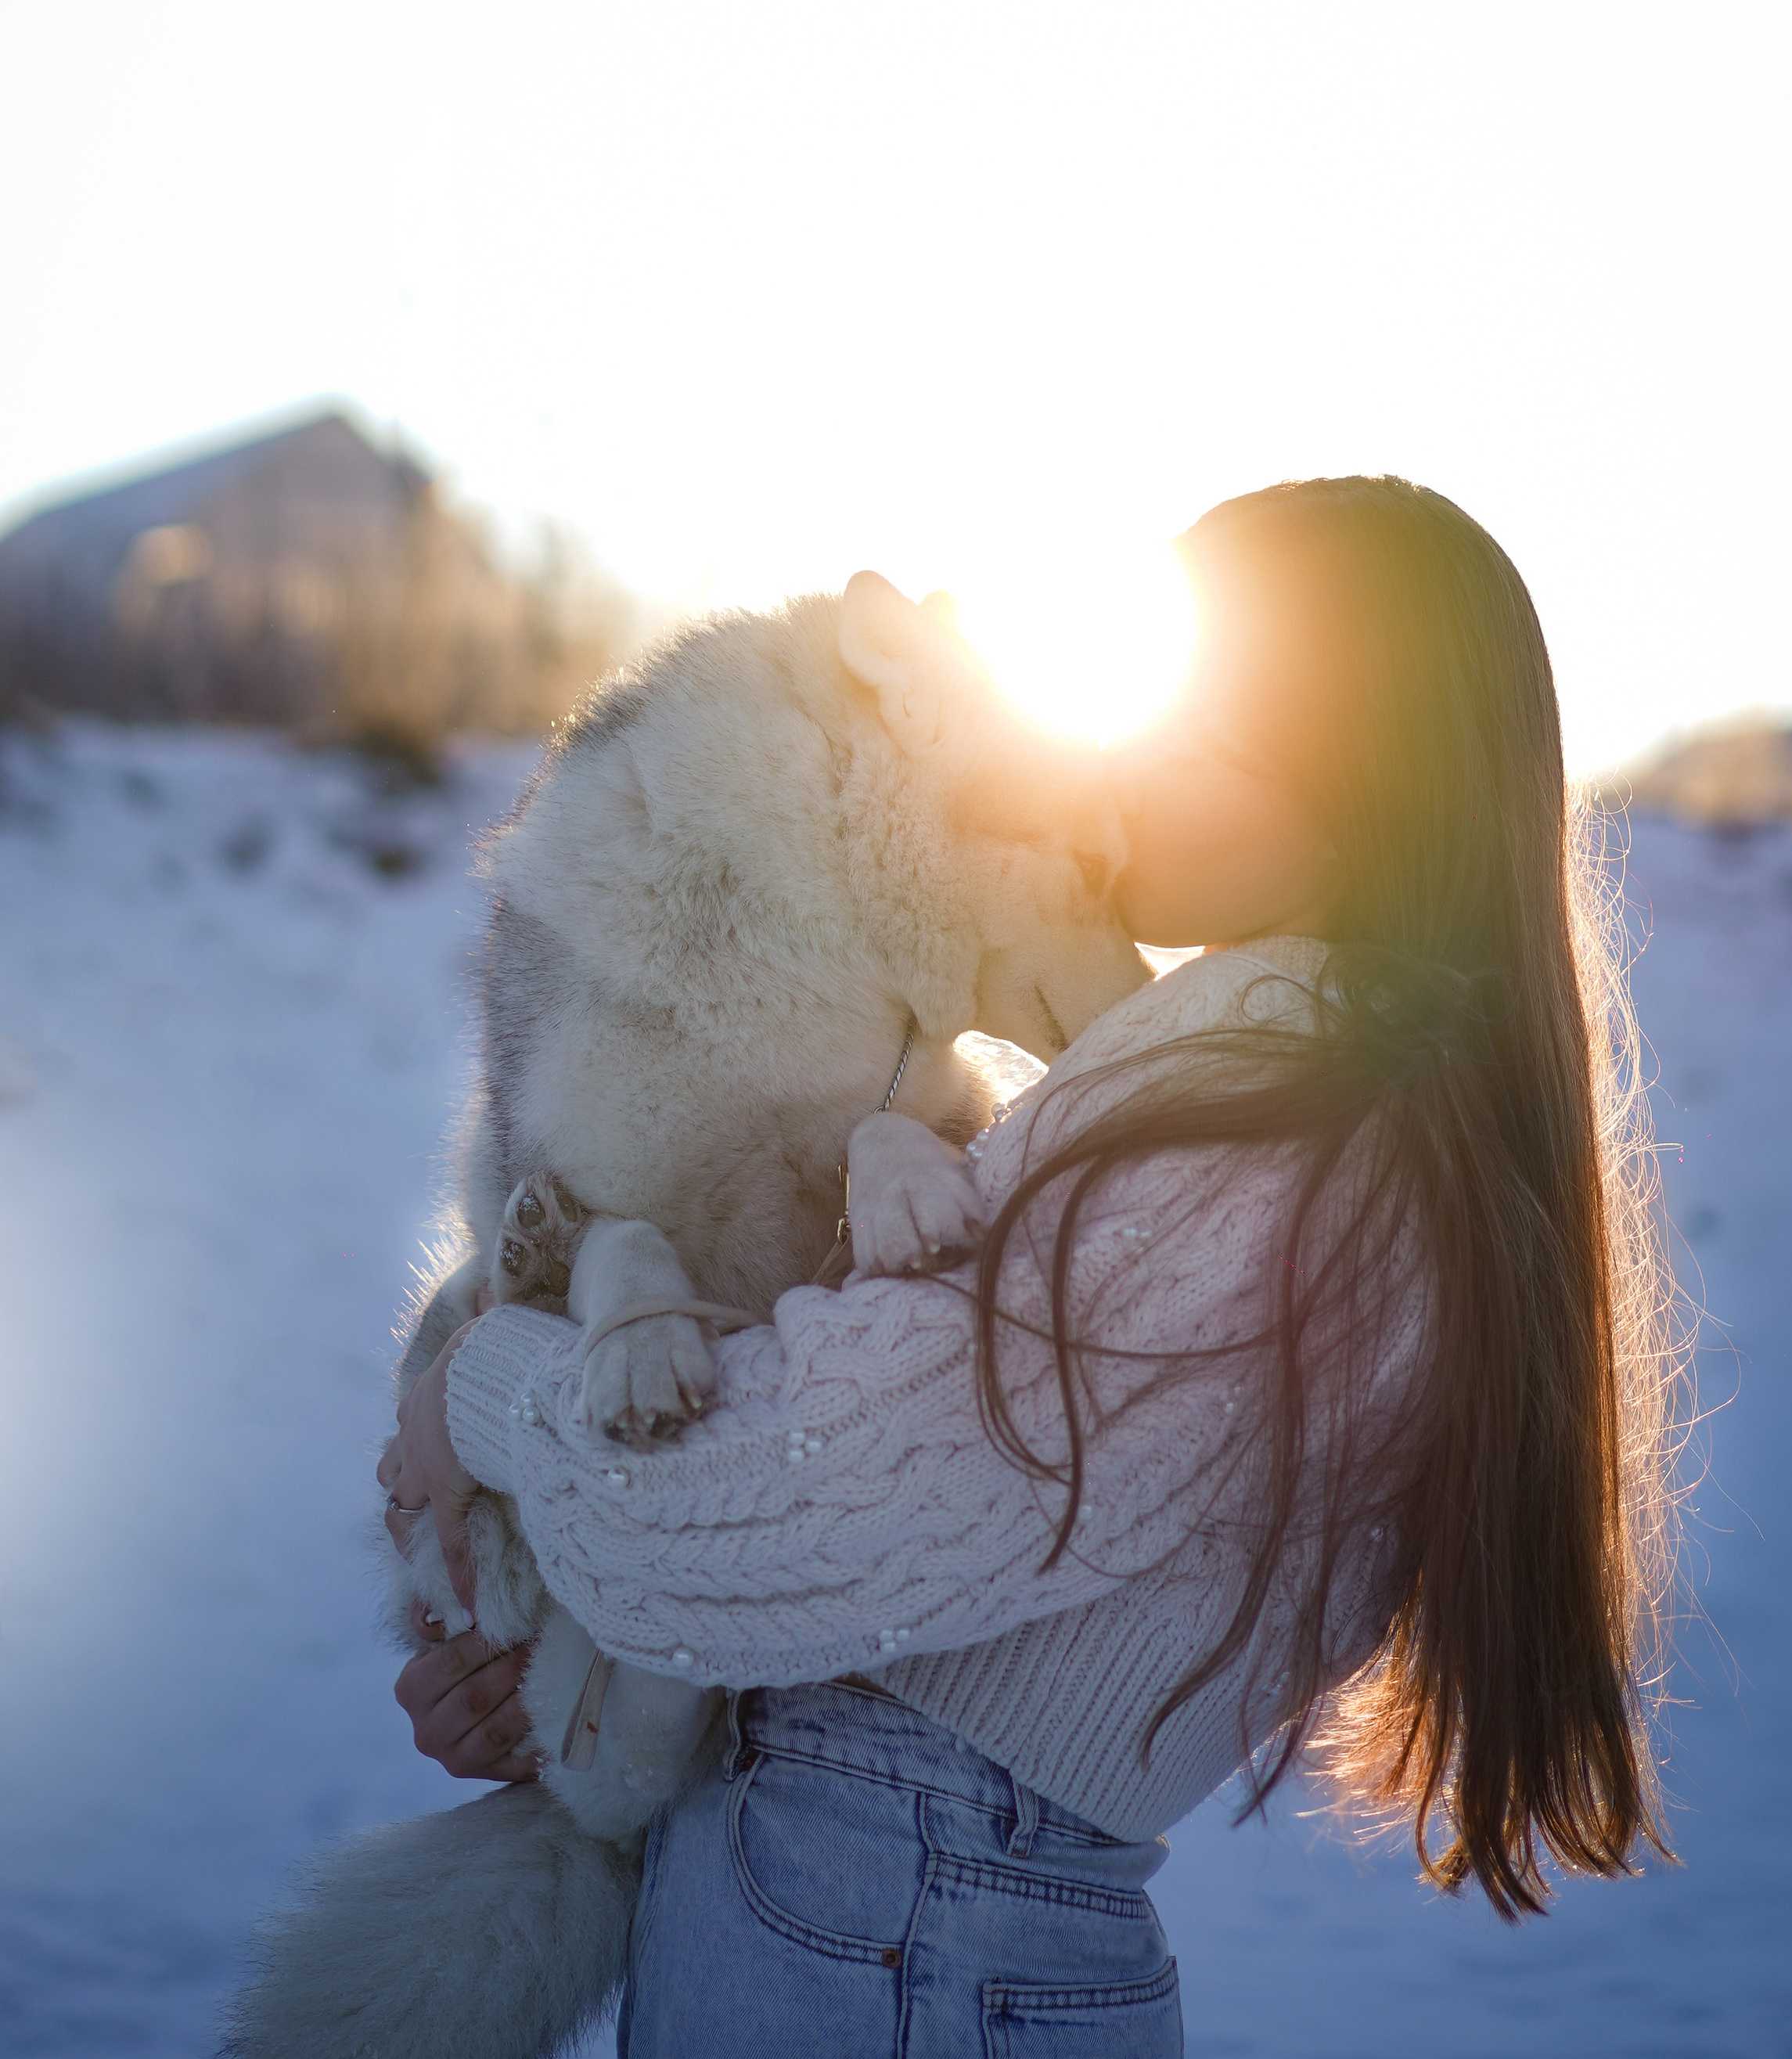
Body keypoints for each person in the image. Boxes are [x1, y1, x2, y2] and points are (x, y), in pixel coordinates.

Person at [380, 475, 1677, 2056]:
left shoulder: (1256, 1114)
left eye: (1190, 727)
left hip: (889, 1927)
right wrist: (563, 1648)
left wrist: (488, 1393)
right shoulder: (1300, 1079)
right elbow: (861, 1500)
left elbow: (775, 1509)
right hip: (899, 1905)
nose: (1113, 763)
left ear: (1351, 789)